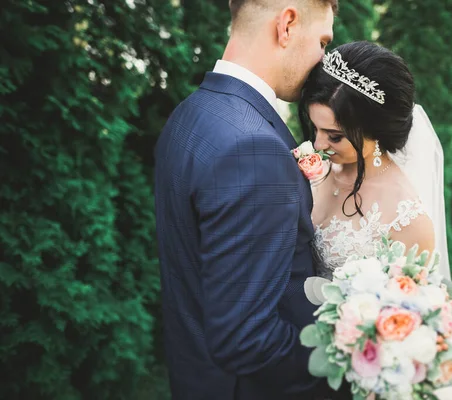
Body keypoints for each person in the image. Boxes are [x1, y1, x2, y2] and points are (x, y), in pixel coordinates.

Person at [153, 1, 341, 399]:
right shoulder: (252, 146)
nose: (322, 60)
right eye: (322, 42)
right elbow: (247, 339)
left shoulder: (191, 113)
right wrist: (346, 369)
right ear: (287, 25)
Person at [300, 41, 452, 398]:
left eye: (335, 135)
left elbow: (401, 331)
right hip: (289, 354)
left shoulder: (407, 217)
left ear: (377, 130)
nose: (318, 143)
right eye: (315, 128)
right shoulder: (319, 165)